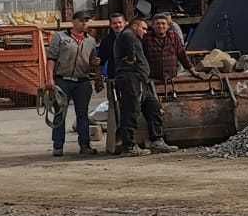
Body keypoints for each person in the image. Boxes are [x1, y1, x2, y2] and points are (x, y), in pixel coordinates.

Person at [112, 17, 171, 155]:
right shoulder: (129, 35)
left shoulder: (132, 37)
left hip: (140, 80)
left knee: (153, 106)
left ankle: (157, 140)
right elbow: (131, 53)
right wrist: (132, 59)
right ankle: (129, 146)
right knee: (131, 110)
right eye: (143, 28)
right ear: (135, 26)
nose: (145, 32)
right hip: (131, 79)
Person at [46, 12, 99, 157]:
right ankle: (58, 146)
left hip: (82, 81)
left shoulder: (91, 41)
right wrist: (49, 79)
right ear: (73, 22)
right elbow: (51, 59)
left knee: (82, 114)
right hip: (62, 80)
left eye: (87, 21)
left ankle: (85, 145)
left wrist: (97, 72)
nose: (84, 24)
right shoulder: (60, 37)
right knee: (59, 113)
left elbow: (94, 62)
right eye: (81, 21)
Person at [142, 12, 184, 84]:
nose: (160, 26)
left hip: (171, 77)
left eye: (163, 23)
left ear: (168, 26)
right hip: (152, 78)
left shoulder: (174, 36)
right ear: (152, 26)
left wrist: (191, 69)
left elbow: (181, 53)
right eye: (157, 23)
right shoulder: (146, 38)